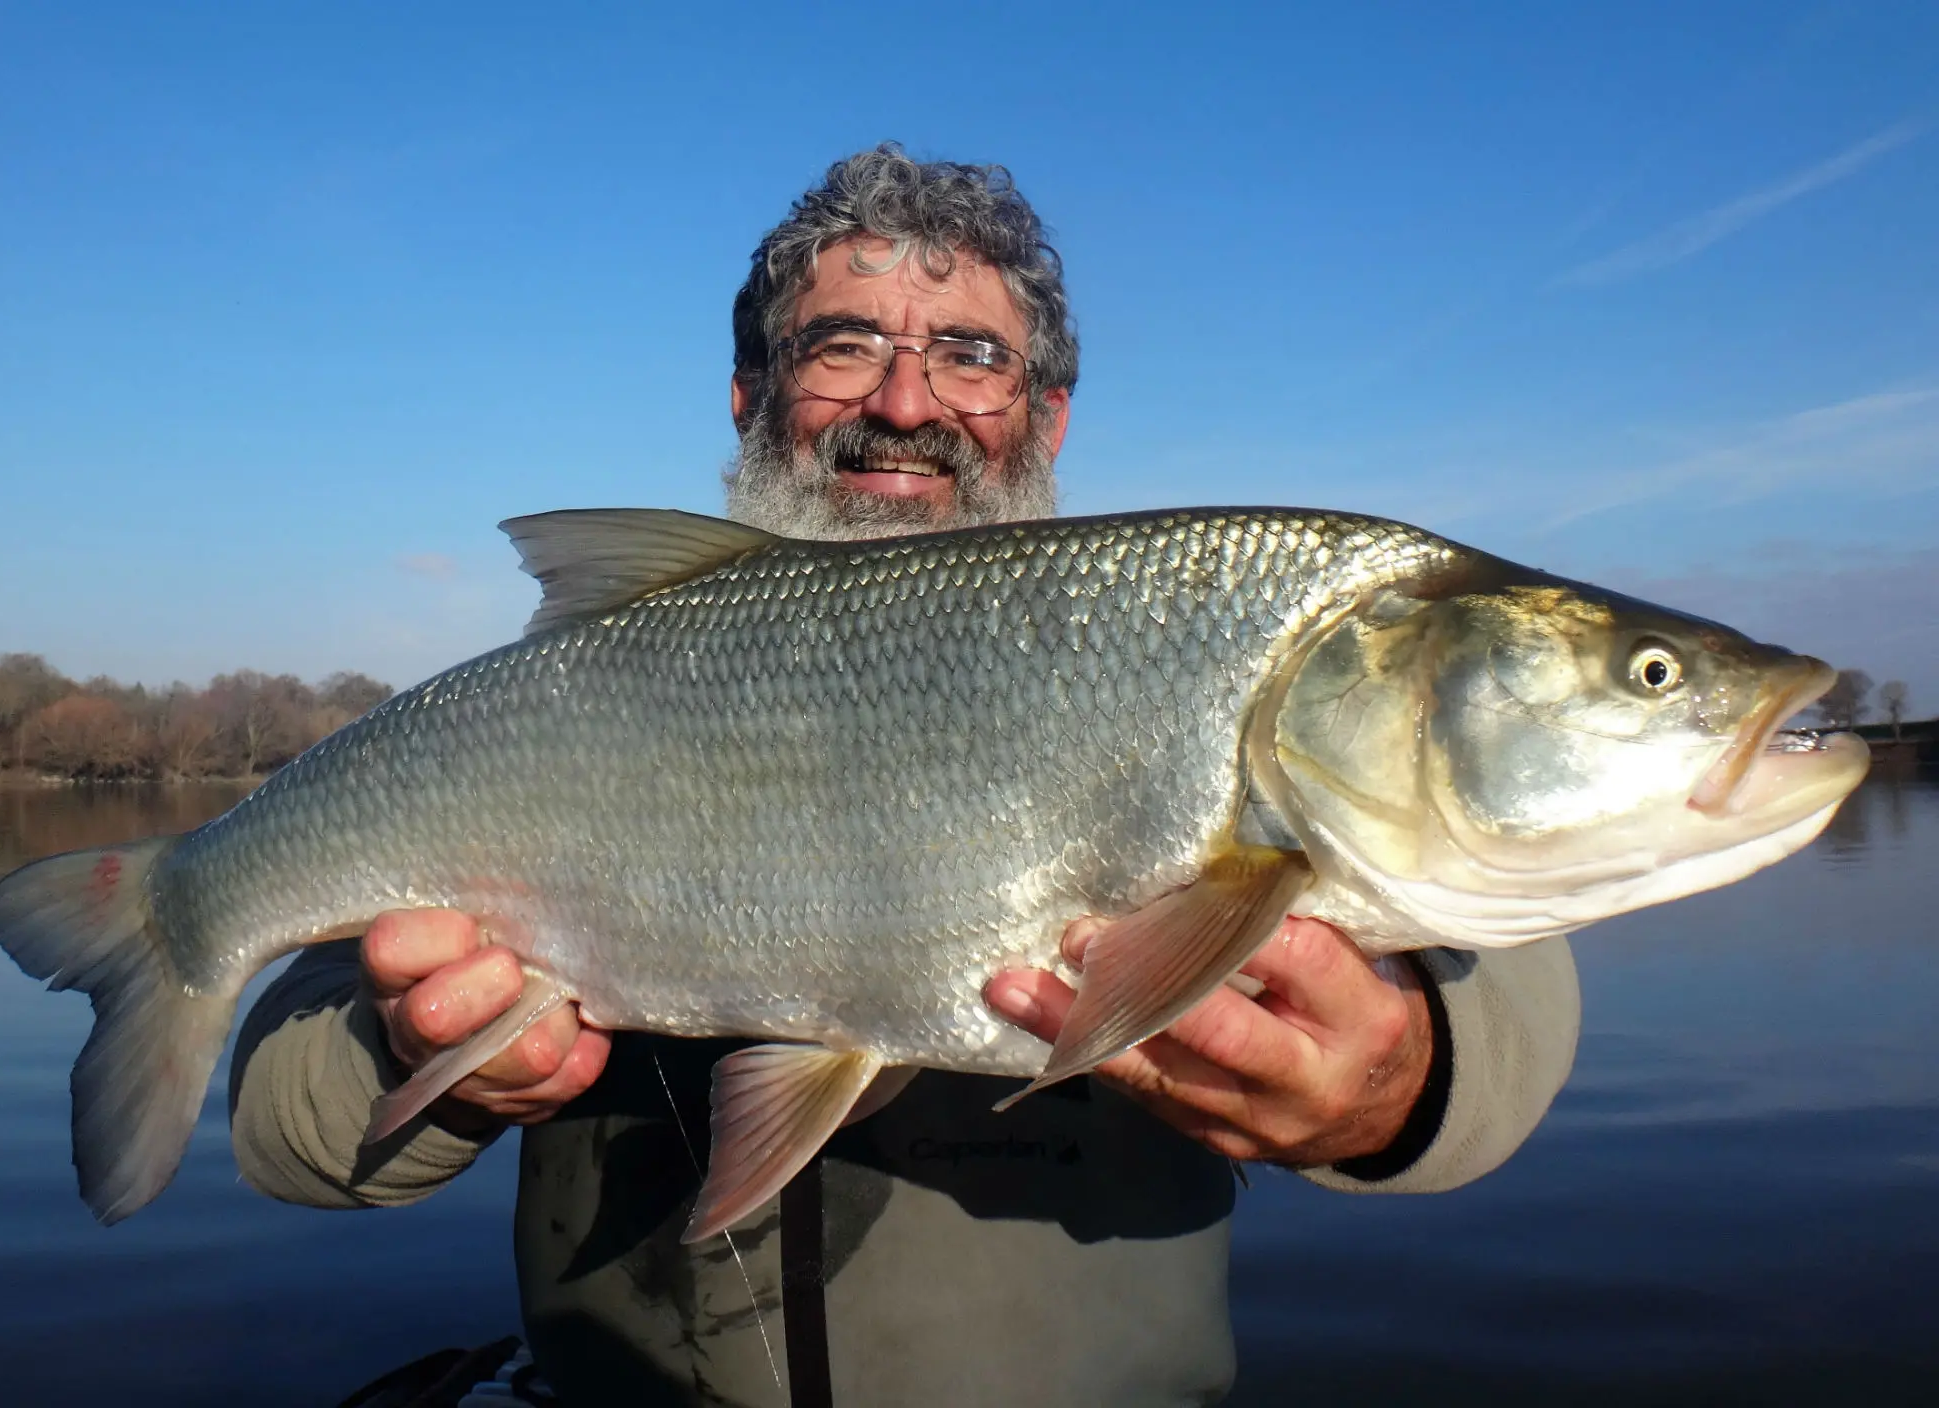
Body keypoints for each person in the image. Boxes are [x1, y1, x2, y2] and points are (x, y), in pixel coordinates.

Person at [230, 144, 1581, 1407]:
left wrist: (1399, 1070)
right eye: (843, 344)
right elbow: (285, 1132)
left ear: (1044, 418)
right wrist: (430, 1060)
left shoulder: (1177, 636)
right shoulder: (580, 690)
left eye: (968, 355)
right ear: (755, 398)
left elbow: (1504, 969)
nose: (902, 401)